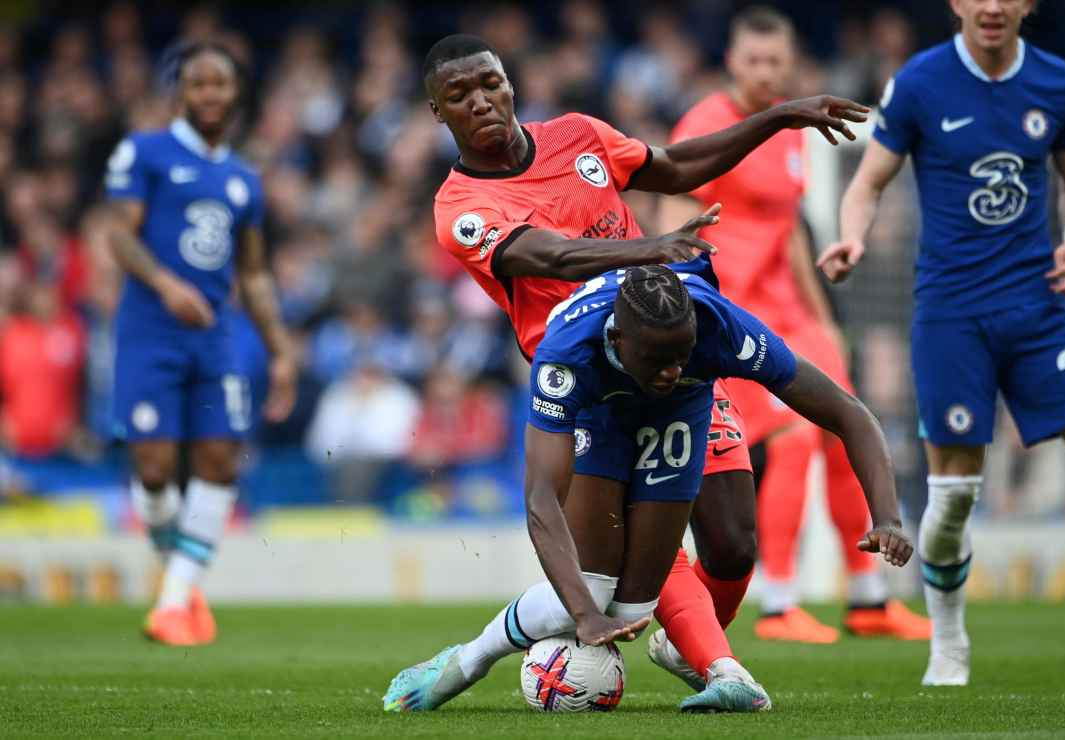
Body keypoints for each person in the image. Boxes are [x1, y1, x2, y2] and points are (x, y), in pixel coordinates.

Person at [416, 34, 869, 708]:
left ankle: (684, 639)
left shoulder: (577, 135)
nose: (481, 100)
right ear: (439, 114)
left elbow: (677, 166)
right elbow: (551, 257)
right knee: (616, 576)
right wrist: (648, 247)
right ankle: (718, 666)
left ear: (510, 83)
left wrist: (777, 117)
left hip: (665, 352)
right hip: (587, 382)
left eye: (490, 82)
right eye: (459, 95)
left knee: (733, 545)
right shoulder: (459, 209)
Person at [816, 0, 1065, 686]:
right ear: (956, 2)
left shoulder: (1058, 84)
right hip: (952, 317)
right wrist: (853, 234)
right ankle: (948, 646)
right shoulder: (919, 83)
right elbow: (866, 184)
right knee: (951, 500)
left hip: (1038, 308)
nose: (993, 5)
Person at [383, 263, 913, 713]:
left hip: (682, 411)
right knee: (589, 594)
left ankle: (688, 648)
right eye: (657, 358)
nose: (671, 368)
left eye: (682, 353)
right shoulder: (567, 353)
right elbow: (541, 497)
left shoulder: (718, 326)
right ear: (617, 340)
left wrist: (886, 515)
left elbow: (849, 413)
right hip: (602, 412)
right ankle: (468, 658)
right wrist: (585, 617)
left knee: (637, 609)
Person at [661, 6, 929, 643]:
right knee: (792, 439)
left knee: (841, 427)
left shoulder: (788, 129)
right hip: (728, 312)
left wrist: (823, 319)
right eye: (751, 61)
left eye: (774, 62)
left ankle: (867, 598)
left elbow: (786, 231)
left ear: (789, 65)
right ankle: (778, 603)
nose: (762, 73)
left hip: (789, 308)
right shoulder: (705, 123)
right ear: (731, 62)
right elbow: (672, 208)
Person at [104, 41, 296, 646]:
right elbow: (118, 234)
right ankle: (182, 587)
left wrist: (281, 349)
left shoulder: (243, 179)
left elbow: (255, 273)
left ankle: (172, 602)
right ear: (179, 93)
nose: (210, 94)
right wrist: (165, 285)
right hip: (149, 331)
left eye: (220, 83)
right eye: (198, 83)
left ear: (235, 92)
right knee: (155, 470)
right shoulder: (145, 152)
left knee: (219, 462)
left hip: (214, 338)